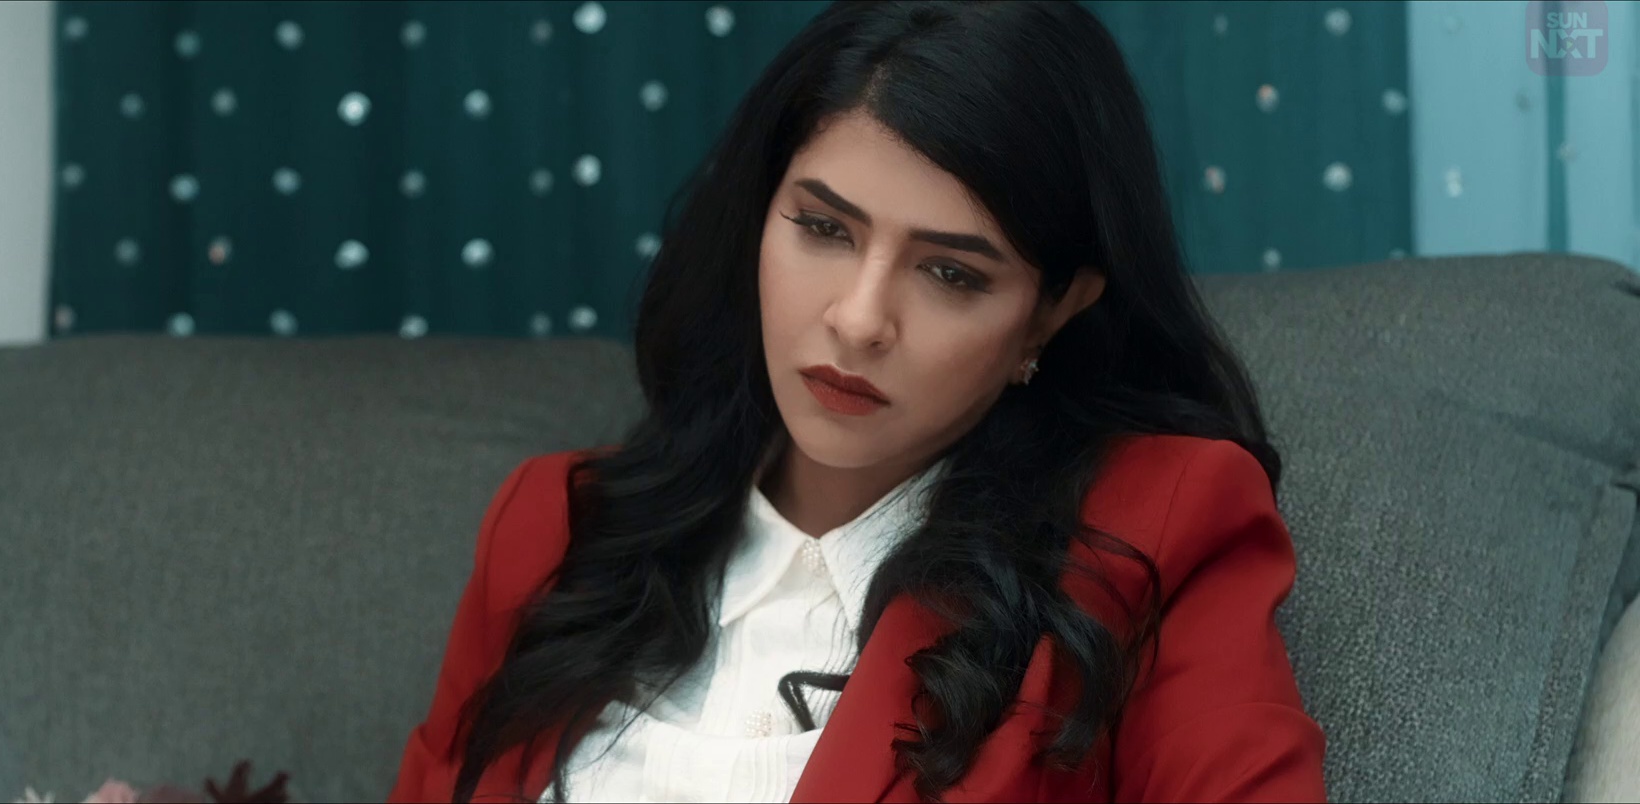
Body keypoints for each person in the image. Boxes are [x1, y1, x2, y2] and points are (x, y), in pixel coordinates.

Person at [389, 1, 1326, 801]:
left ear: (1053, 311)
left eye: (951, 273)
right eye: (824, 228)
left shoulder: (1153, 533)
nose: (860, 319)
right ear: (760, 216)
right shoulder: (554, 528)